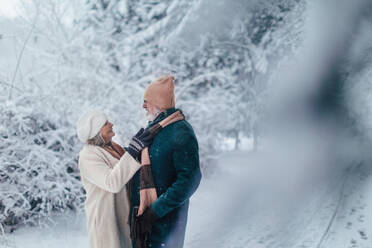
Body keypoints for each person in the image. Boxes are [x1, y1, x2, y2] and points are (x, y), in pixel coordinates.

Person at [76, 110, 181, 248]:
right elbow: (112, 183)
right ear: (96, 131)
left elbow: (129, 167)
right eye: (105, 123)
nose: (111, 124)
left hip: (123, 216)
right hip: (106, 221)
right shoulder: (88, 156)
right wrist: (132, 151)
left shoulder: (113, 148)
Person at [129, 75, 202, 248]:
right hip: (144, 220)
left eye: (147, 101)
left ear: (159, 103)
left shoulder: (180, 131)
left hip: (166, 225)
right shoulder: (154, 129)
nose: (143, 106)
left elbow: (190, 180)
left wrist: (155, 211)